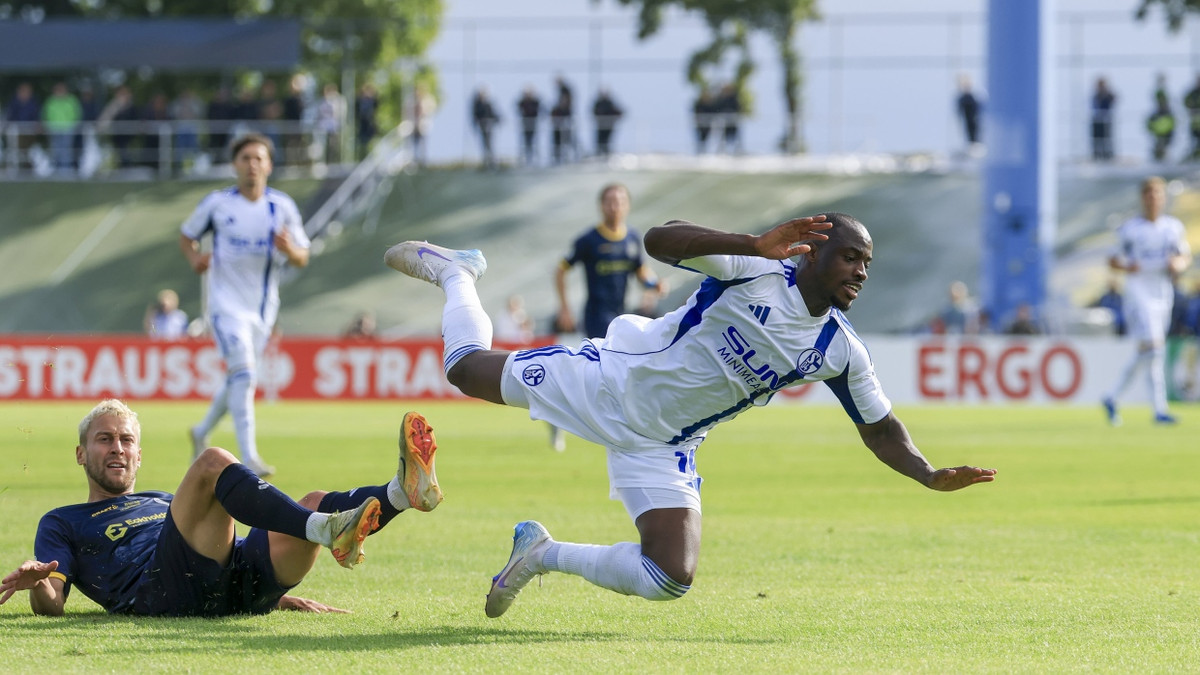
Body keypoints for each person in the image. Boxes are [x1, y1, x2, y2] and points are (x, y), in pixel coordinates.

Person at [382, 211, 997, 619]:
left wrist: (927, 473)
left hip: (662, 444)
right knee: (464, 369)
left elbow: (880, 426)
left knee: (670, 576)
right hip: (609, 382)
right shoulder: (754, 269)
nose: (860, 273)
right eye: (849, 258)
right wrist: (750, 243)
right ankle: (457, 274)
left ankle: (540, 553)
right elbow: (660, 238)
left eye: (867, 264)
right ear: (812, 251)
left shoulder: (838, 349)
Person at [0, 399, 442, 616]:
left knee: (307, 502)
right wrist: (38, 583)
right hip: (163, 592)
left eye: (126, 440)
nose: (117, 449)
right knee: (213, 462)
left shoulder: (162, 500)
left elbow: (214, 536)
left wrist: (280, 598)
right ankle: (326, 529)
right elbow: (53, 605)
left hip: (228, 585)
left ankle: (400, 494)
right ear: (81, 454)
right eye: (104, 439)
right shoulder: (63, 521)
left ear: (139, 455)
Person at [178, 133, 311, 477]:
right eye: (245, 158)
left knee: (239, 376)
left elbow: (302, 257)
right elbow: (186, 234)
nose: (252, 164)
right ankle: (248, 456)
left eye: (259, 158)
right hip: (224, 306)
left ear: (269, 165)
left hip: (262, 310)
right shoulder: (218, 204)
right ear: (235, 165)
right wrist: (194, 260)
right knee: (246, 374)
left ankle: (201, 429)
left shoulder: (281, 207)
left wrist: (289, 250)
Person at [1102, 176, 1192, 426]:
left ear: (1163, 199)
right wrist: (1128, 266)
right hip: (1138, 290)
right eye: (1149, 195)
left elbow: (1184, 257)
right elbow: (1112, 260)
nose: (1154, 199)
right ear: (1143, 198)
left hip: (1162, 290)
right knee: (1154, 347)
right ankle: (1159, 409)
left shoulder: (1172, 228)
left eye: (1158, 195)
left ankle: (1112, 397)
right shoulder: (1130, 229)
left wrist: (1179, 264)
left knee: (1151, 350)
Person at [471, 86, 500, 170]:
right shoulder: (477, 105)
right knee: (485, 145)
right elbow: (476, 115)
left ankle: (492, 162)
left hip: (489, 126)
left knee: (490, 145)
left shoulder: (488, 104)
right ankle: (486, 162)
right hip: (482, 126)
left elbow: (493, 114)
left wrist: (497, 120)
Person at [1147, 79, 1175, 163]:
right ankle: (1159, 158)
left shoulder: (1168, 113)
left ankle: (1163, 159)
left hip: (1166, 134)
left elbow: (1172, 124)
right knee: (1159, 147)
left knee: (1165, 148)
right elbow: (1149, 125)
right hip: (1158, 135)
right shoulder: (1156, 114)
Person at [592, 87, 623, 157]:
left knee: (606, 142)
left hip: (608, 126)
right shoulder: (599, 103)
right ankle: (600, 154)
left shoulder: (609, 103)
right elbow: (595, 112)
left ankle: (606, 154)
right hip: (601, 126)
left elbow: (617, 111)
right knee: (600, 141)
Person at [1091, 77, 1117, 161]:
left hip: (1106, 119)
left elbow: (1113, 100)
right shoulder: (1096, 95)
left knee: (1107, 138)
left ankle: (1108, 155)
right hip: (1097, 119)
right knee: (1097, 138)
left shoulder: (1108, 95)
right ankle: (1097, 155)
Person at [956, 74, 982, 152]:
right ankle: (971, 144)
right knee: (968, 130)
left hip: (974, 120)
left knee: (974, 129)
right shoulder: (962, 99)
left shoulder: (973, 97)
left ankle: (974, 144)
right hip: (967, 120)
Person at [516, 86, 541, 166]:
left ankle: (534, 160)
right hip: (525, 125)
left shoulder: (535, 102)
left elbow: (536, 110)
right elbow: (520, 108)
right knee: (526, 143)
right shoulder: (522, 102)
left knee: (534, 143)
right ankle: (526, 160)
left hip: (533, 124)